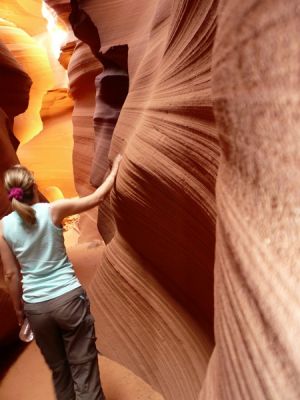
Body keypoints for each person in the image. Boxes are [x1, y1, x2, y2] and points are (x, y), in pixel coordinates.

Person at [0, 155, 122, 400]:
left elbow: (12, 274)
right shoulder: (53, 210)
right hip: (68, 300)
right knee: (84, 366)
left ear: (10, 194)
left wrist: (18, 310)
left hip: (37, 309)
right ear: (33, 186)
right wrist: (116, 166)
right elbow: (97, 198)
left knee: (60, 371)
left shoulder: (4, 226)